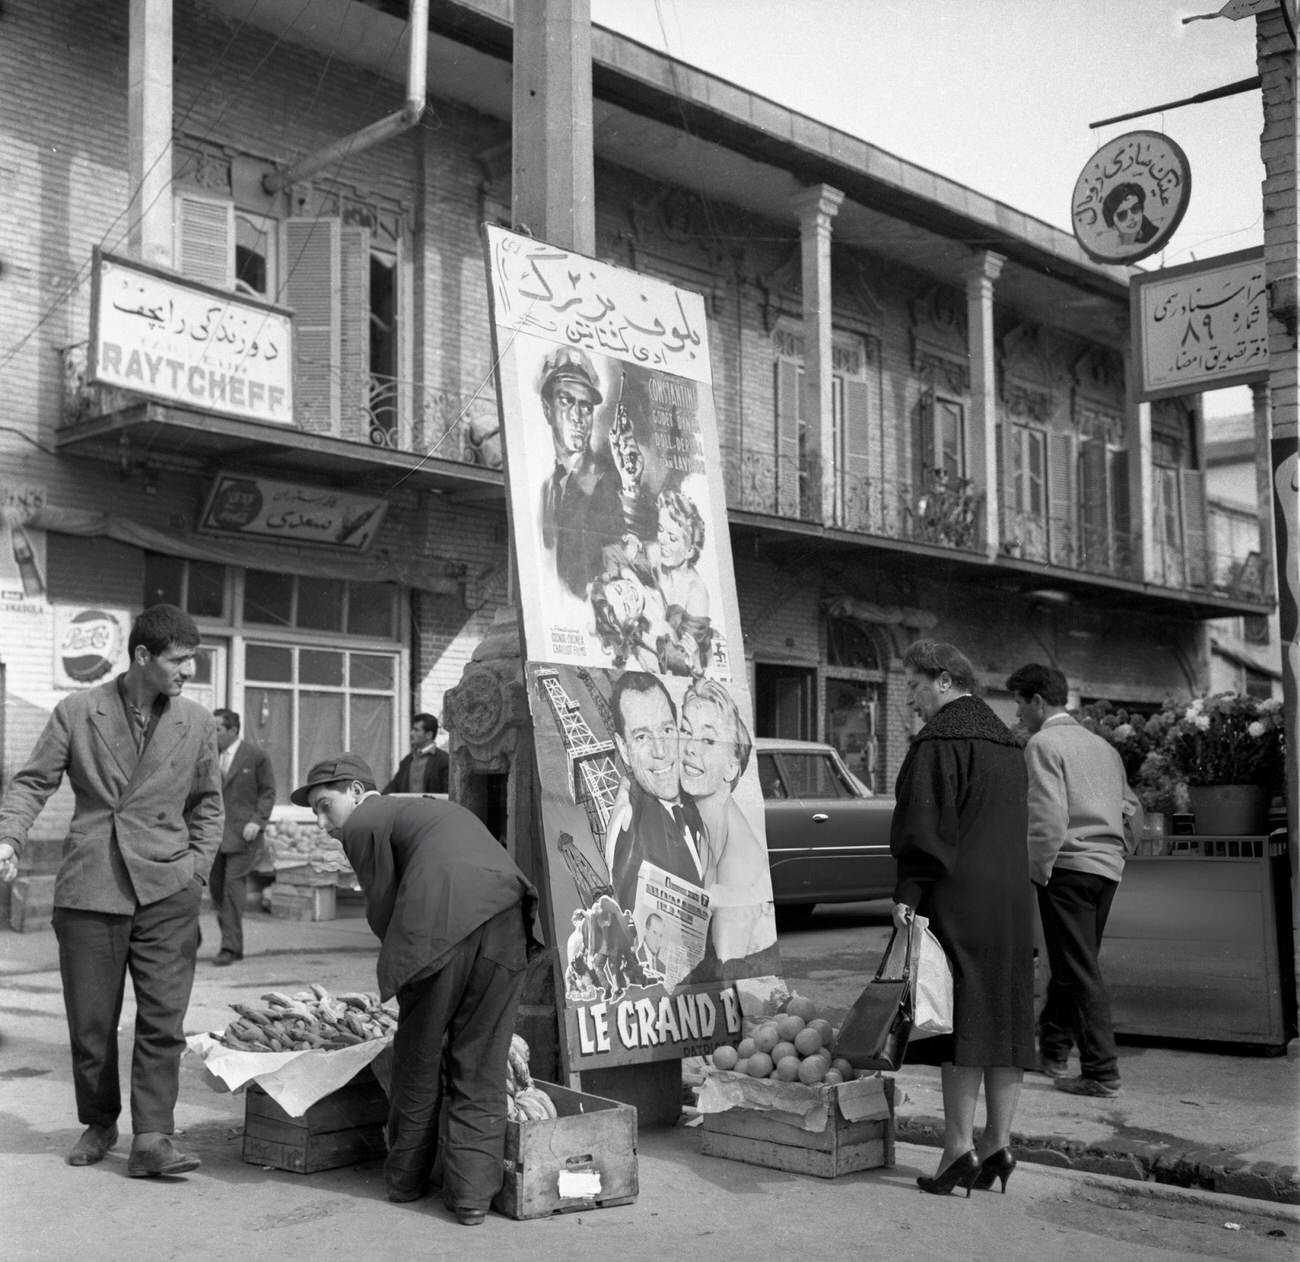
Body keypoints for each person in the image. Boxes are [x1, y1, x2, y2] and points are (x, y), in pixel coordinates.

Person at [0, 604, 223, 1177]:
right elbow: (32, 784)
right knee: (92, 1022)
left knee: (163, 1021)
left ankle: (153, 1138)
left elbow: (207, 804)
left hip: (168, 887)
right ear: (143, 656)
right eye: (179, 659)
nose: (188, 671)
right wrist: (9, 838)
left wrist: (195, 871)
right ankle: (100, 1122)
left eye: (192, 659)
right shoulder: (77, 711)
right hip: (92, 885)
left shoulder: (196, 722)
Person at [294, 753, 538, 1225]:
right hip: (507, 927)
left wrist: (406, 974)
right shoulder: (424, 811)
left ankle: (405, 1182)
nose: (325, 823)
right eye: (316, 814)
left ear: (358, 793)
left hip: (440, 930)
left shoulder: (366, 819)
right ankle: (471, 1198)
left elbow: (383, 907)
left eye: (327, 806)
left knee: (418, 1057)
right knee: (482, 1061)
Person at [890, 640, 1034, 1198]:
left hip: (958, 898)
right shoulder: (1007, 742)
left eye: (915, 685)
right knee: (1004, 1019)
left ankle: (957, 1149)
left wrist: (908, 889)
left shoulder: (939, 741)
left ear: (945, 681)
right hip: (1012, 903)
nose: (912, 698)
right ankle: (999, 1143)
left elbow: (926, 831)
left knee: (960, 1024)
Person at [1006, 663, 1140, 1100]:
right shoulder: (1102, 746)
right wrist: (1119, 850)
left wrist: (1036, 870)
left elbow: (1047, 815)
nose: (1019, 714)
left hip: (1067, 866)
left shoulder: (1043, 744)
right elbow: (1131, 808)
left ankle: (1102, 1072)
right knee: (1072, 963)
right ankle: (1055, 1049)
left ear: (1038, 701)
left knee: (1078, 968)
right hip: (1106, 868)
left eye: (1021, 704)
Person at [677, 677, 779, 978]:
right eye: (685, 731)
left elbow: (727, 978)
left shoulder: (738, 861)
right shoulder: (701, 828)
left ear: (733, 766)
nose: (689, 749)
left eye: (709, 740)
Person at [537, 348, 655, 598]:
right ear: (548, 410)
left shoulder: (607, 481)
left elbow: (638, 556)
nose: (578, 417)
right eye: (566, 401)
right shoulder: (546, 485)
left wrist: (631, 485)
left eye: (586, 407)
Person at [604, 672, 706, 913]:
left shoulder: (693, 802)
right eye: (642, 737)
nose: (660, 750)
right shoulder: (632, 829)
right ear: (624, 749)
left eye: (667, 730)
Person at [209, 708, 276, 965]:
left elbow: (268, 792)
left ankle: (230, 946)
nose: (212, 734)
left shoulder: (255, 756)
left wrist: (257, 821)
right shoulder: (209, 755)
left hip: (243, 835)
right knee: (216, 892)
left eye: (217, 730)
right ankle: (230, 941)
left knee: (231, 889)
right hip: (214, 834)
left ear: (233, 730)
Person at [383, 714, 449, 795]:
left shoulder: (443, 760)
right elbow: (393, 787)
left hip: (433, 807)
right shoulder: (408, 760)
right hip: (409, 807)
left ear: (429, 735)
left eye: (416, 730)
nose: (411, 733)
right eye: (412, 729)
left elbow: (448, 794)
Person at [1101, 181, 1158, 247]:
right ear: (1113, 225)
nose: (1131, 217)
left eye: (1135, 208)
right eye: (1122, 215)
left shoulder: (1154, 235)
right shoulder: (1110, 247)